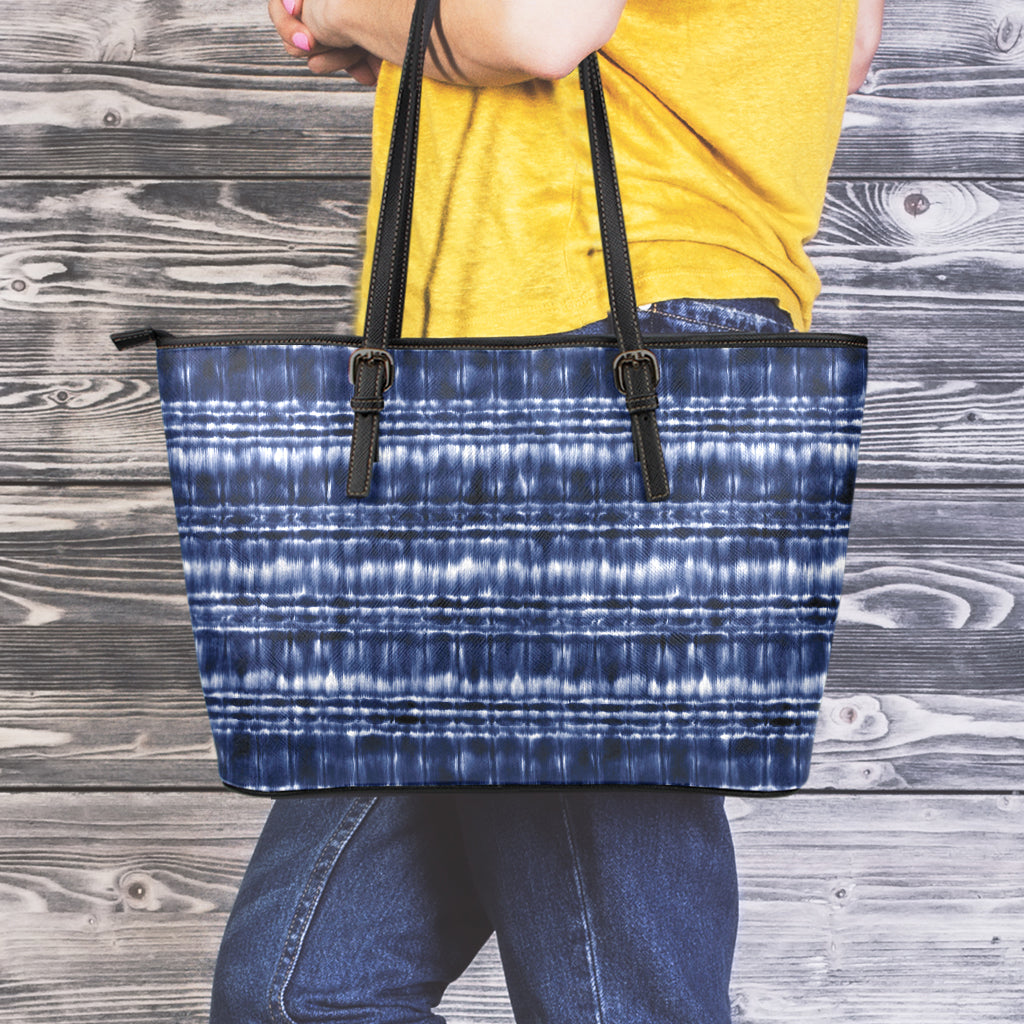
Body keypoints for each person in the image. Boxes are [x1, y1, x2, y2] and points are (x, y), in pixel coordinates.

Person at [210, 2, 884, 1022]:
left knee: (609, 993)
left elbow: (532, 28)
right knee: (301, 993)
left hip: (591, 352)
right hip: (535, 372)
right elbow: (835, 48)